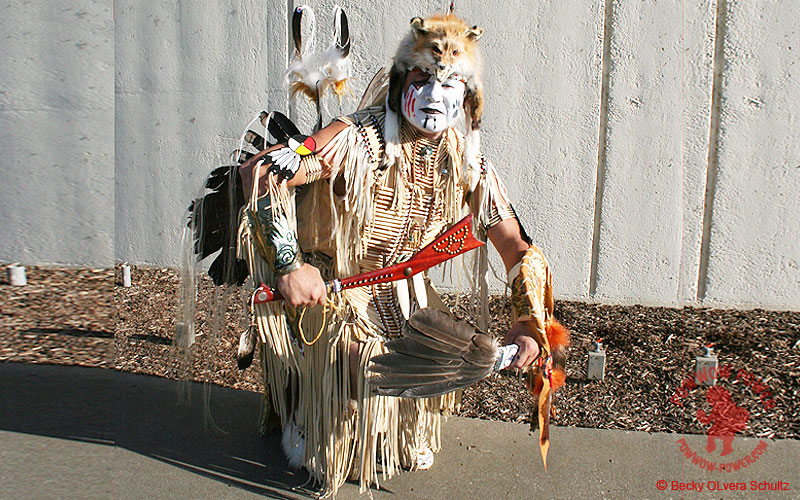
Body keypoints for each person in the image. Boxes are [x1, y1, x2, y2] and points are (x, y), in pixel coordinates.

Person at [235, 11, 555, 496]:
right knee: (358, 369)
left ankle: (386, 430)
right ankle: (312, 419)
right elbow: (260, 173)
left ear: (468, 97)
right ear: (403, 78)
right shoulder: (355, 140)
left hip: (404, 292)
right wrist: (289, 265)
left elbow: (518, 246)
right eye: (423, 78)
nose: (434, 96)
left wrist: (530, 321)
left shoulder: (466, 161)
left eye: (450, 84)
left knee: (427, 361)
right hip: (334, 287)